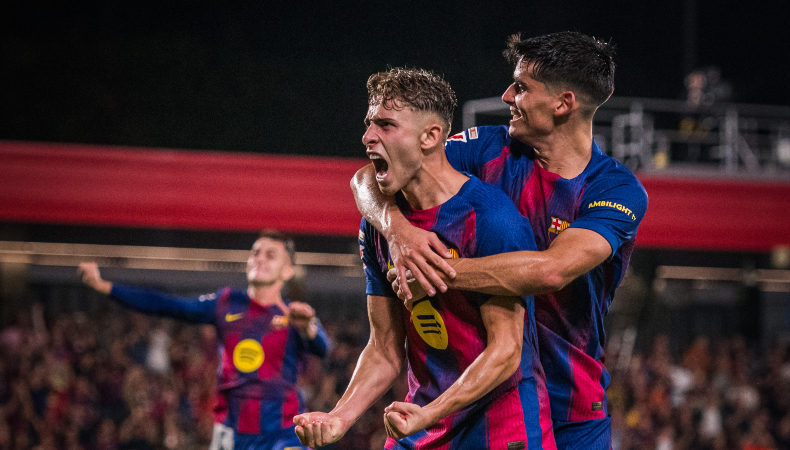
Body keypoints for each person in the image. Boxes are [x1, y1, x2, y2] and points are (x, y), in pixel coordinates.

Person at [350, 32, 649, 450]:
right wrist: (397, 231)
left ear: (563, 103)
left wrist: (433, 272)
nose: (507, 95)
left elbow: (551, 270)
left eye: (521, 87)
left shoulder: (615, 189)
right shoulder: (488, 148)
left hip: (572, 407)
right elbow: (370, 176)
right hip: (491, 398)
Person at [294, 67, 555, 450]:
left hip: (502, 429)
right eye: (369, 124)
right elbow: (384, 349)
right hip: (422, 423)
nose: (368, 137)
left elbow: (505, 353)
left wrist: (432, 413)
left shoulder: (490, 217)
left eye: (386, 125)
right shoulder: (380, 226)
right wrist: (339, 417)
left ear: (430, 137)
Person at [77, 230, 329, 450]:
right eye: (255, 253)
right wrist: (105, 286)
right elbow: (168, 305)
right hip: (231, 433)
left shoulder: (293, 314)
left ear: (287, 271)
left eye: (270, 255)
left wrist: (307, 327)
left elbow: (323, 348)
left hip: (282, 432)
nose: (260, 259)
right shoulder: (225, 302)